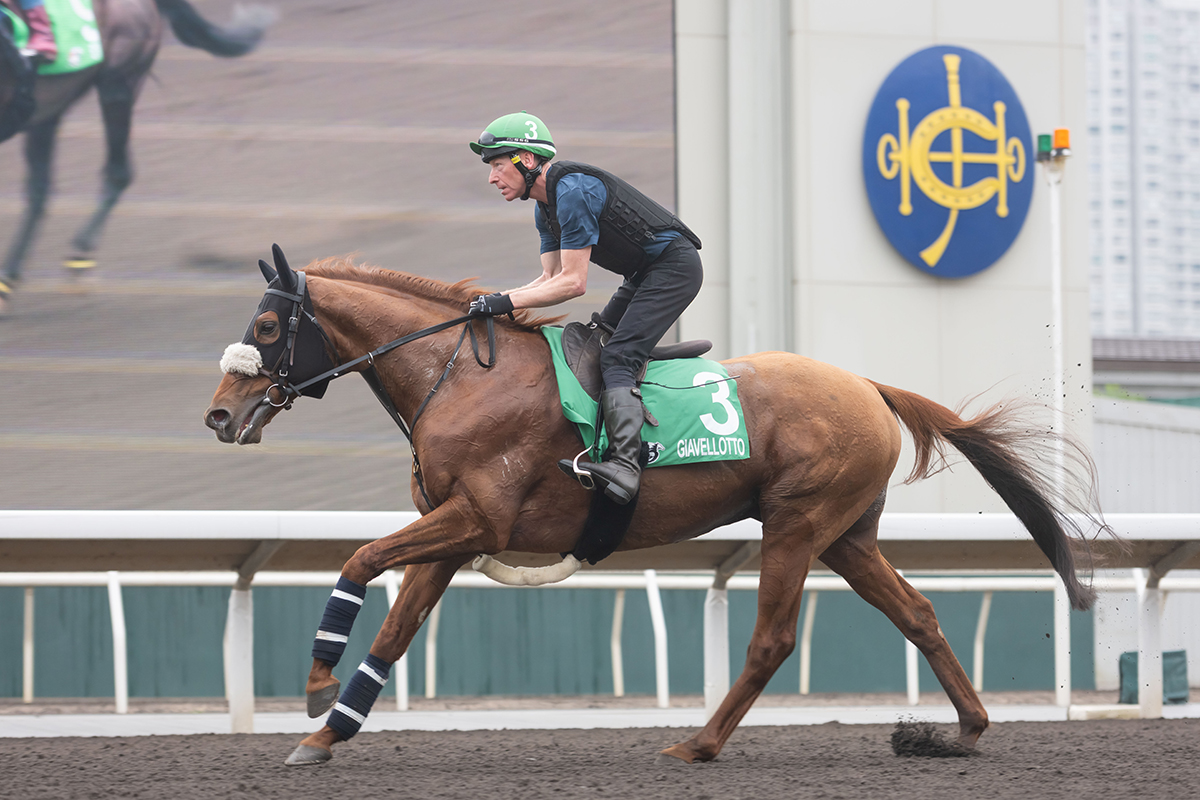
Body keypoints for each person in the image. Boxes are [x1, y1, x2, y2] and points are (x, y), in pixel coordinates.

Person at [467, 111, 703, 505]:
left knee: (617, 358)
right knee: (597, 346)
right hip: (644, 274)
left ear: (526, 160)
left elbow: (573, 284)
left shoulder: (572, 192)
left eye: (497, 164)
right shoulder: (545, 207)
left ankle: (625, 466)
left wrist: (502, 303)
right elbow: (548, 278)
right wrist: (493, 301)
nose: (492, 177)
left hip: (673, 269)